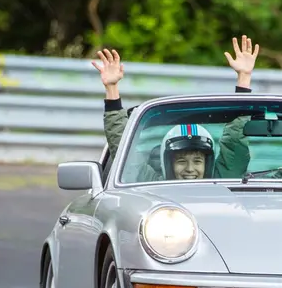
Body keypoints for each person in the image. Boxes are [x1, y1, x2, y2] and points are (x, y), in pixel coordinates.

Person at [91, 36, 259, 181]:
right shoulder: (149, 184)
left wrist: (244, 78)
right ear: (167, 162)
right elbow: (124, 151)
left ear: (208, 163)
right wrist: (111, 88)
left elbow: (235, 143)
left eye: (197, 160)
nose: (190, 169)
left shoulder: (223, 181)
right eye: (181, 160)